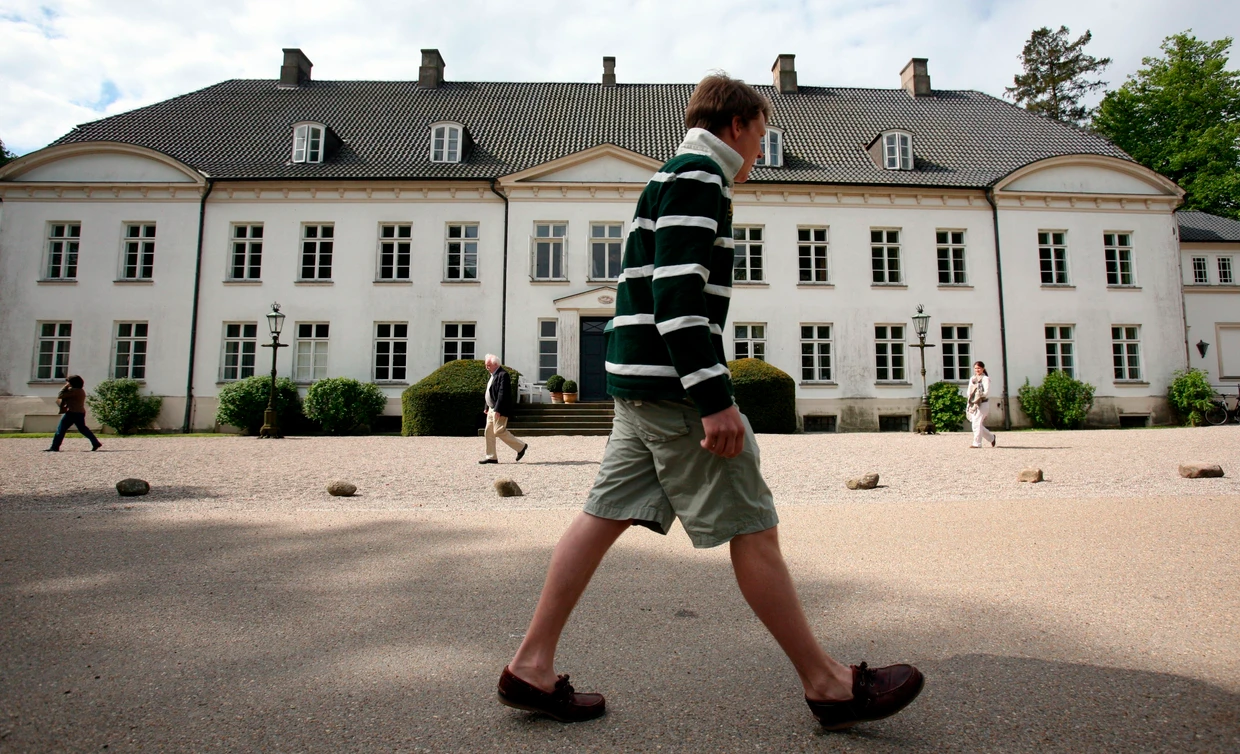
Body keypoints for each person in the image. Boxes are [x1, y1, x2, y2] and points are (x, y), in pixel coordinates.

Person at [496, 74, 923, 730]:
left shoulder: (670, 175)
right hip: (674, 393)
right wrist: (715, 399)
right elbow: (676, 298)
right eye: (761, 132)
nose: (762, 147)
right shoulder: (700, 178)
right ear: (736, 126)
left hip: (638, 386)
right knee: (754, 526)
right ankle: (828, 683)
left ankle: (530, 663)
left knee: (600, 517)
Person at [479, 354, 528, 464]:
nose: (487, 367)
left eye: (489, 365)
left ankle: (521, 446)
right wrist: (486, 406)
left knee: (498, 431)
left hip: (499, 409)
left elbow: (503, 394)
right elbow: (489, 392)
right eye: (486, 365)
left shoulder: (503, 375)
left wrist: (498, 409)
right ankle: (491, 457)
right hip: (492, 409)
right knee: (489, 432)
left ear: (496, 365)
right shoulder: (492, 375)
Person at [46, 375, 102, 452]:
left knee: (61, 429)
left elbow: (60, 395)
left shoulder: (74, 391)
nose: (67, 383)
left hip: (72, 412)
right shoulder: (80, 390)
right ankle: (95, 443)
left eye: (68, 382)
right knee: (83, 429)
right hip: (80, 412)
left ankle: (55, 447)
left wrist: (65, 386)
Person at [966, 361, 996, 448]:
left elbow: (986, 392)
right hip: (973, 403)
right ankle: (991, 437)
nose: (977, 370)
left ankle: (977, 443)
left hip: (982, 403)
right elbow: (969, 390)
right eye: (975, 368)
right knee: (976, 423)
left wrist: (979, 394)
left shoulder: (985, 379)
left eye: (979, 368)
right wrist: (970, 400)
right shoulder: (972, 378)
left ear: (983, 368)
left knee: (976, 423)